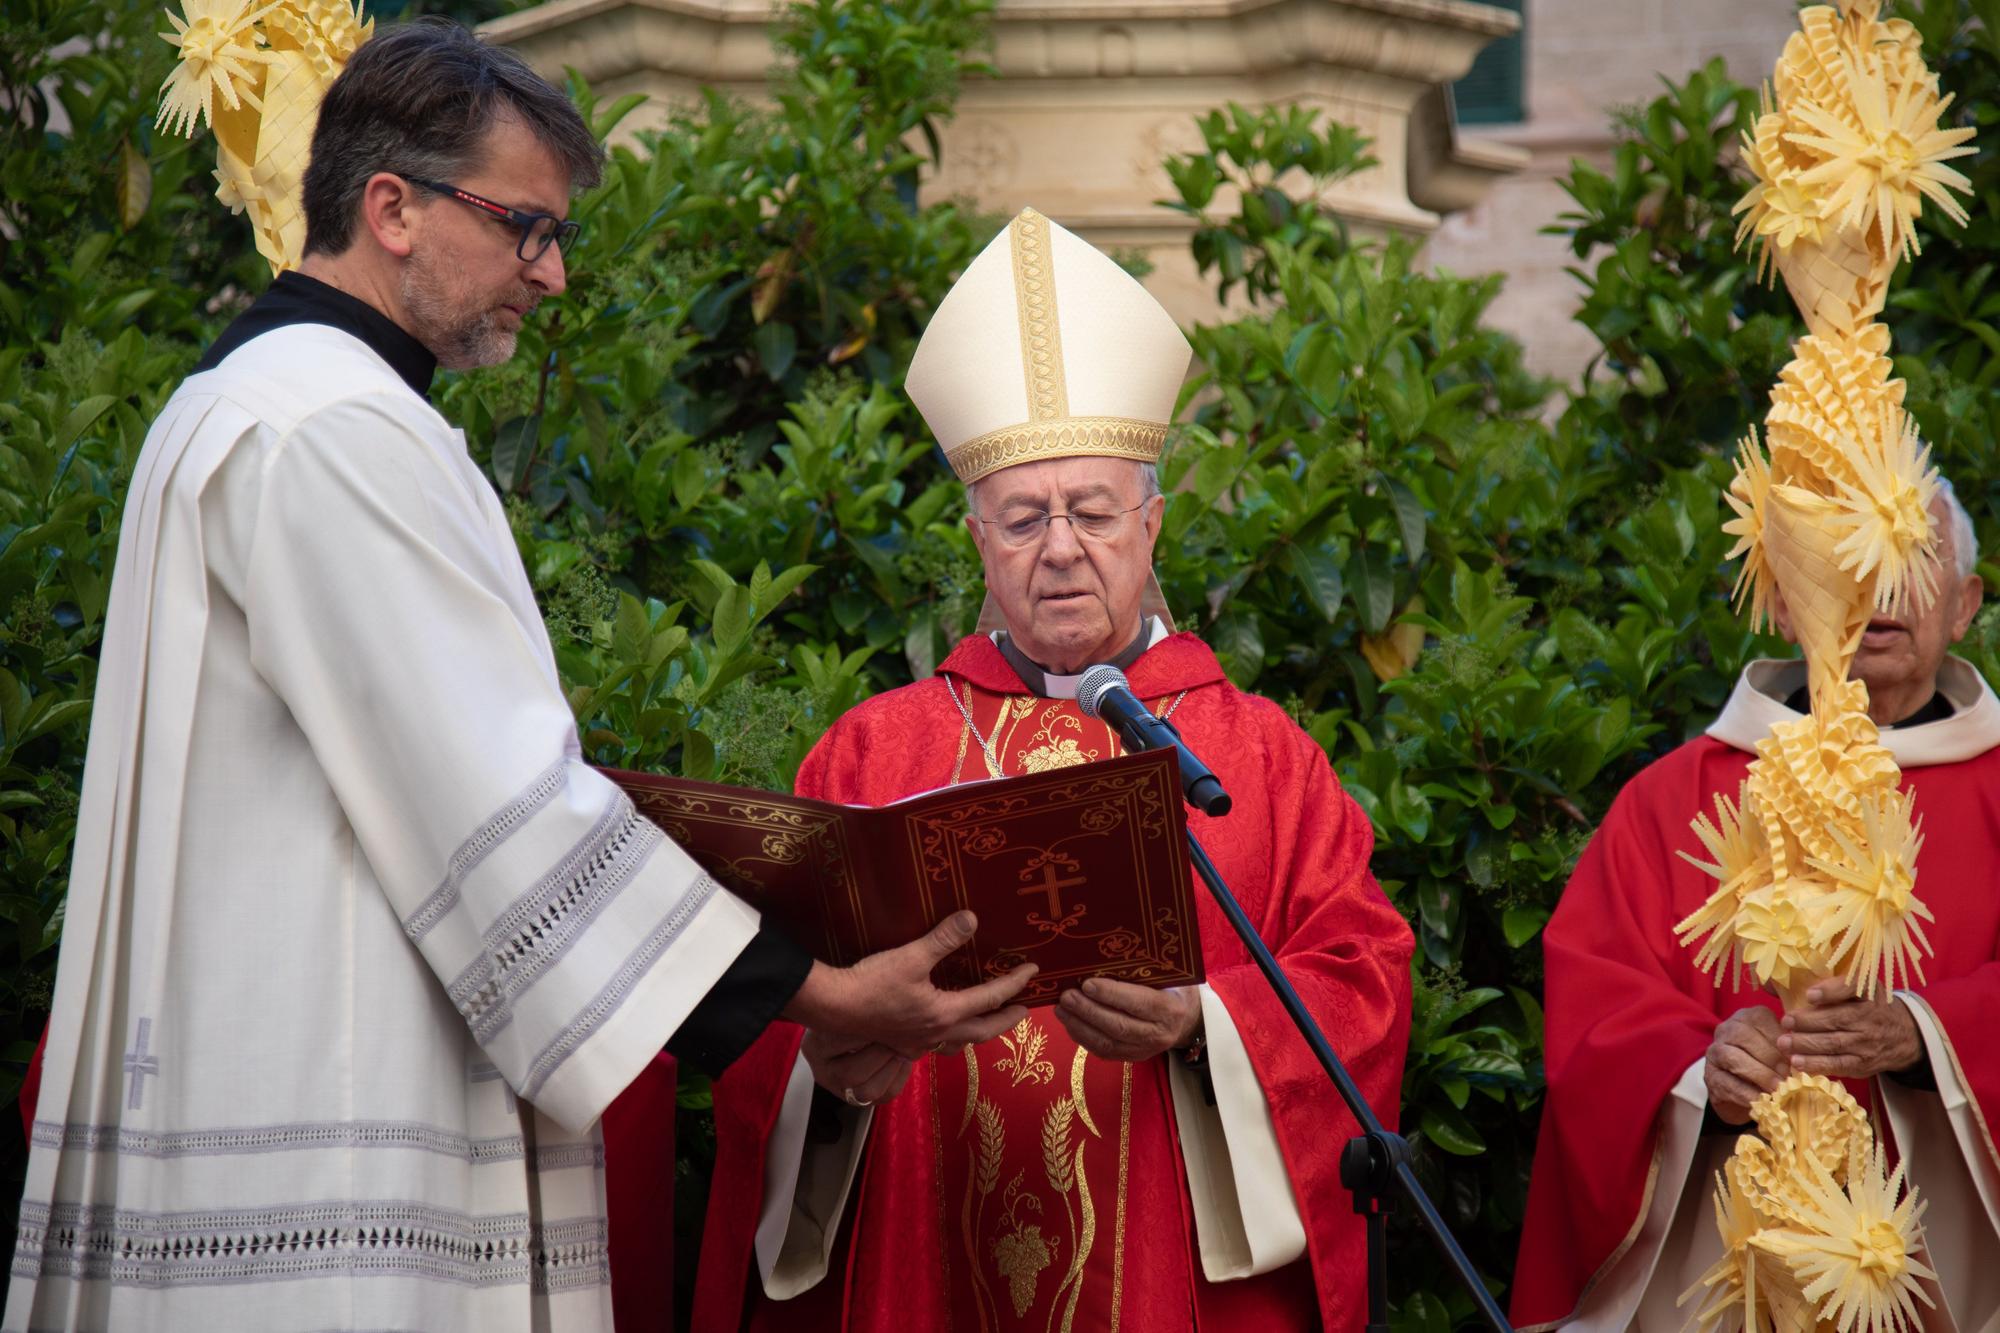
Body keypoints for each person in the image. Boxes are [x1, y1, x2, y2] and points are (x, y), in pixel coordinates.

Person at [4, 22, 1034, 1332]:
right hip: (329, 1179)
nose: (548, 275)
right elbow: (501, 818)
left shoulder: (248, 402)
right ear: (390, 208)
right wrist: (820, 994)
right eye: (522, 228)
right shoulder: (337, 432)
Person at [689, 208, 1415, 1331]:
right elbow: (766, 1009)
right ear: (977, 543)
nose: (1061, 547)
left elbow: (1360, 983)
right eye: (1023, 517)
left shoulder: (1256, 757)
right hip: (921, 1256)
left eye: (1091, 511)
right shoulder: (873, 752)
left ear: (1151, 527)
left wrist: (1201, 1023)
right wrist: (830, 1065)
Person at [1512, 484, 2000, 1330]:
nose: (1880, 586)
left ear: (1965, 604)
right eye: (1844, 550)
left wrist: (1930, 1033)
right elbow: (1597, 1011)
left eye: (1912, 553)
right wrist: (1700, 1072)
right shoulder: (1671, 800)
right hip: (1720, 1259)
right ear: (1784, 600)